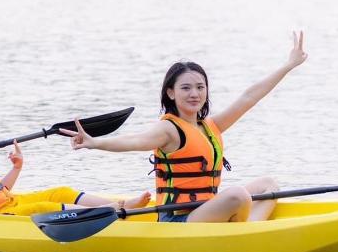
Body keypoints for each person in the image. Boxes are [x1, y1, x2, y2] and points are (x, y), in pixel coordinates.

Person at [62, 31, 309, 223]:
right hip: (178, 218)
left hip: (205, 208)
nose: (194, 94)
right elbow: (135, 141)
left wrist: (288, 66)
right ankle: (248, 232)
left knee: (268, 185)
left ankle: (250, 228)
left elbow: (249, 97)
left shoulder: (210, 126)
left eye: (200, 87)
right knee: (237, 195)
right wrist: (95, 143)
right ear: (171, 93)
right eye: (186, 88)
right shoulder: (169, 130)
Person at [0, 108, 151, 216]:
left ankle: (119, 202)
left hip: (8, 203)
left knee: (59, 192)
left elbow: (0, 191)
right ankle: (113, 210)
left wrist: (16, 168)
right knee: (44, 209)